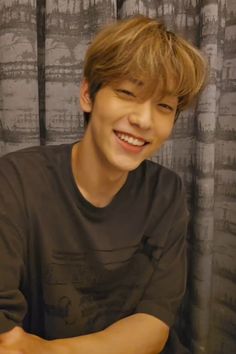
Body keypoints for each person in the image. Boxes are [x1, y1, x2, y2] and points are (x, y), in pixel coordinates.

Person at [0, 16, 207, 354]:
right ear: (87, 95)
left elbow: (154, 323)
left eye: (164, 106)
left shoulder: (166, 192)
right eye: (127, 93)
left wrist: (56, 352)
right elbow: (6, 338)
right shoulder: (14, 181)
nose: (143, 120)